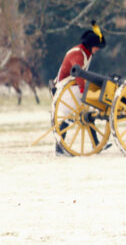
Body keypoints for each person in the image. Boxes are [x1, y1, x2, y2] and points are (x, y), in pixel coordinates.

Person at [52, 21, 106, 155]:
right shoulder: (78, 54)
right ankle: (59, 147)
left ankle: (96, 144)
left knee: (88, 113)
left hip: (72, 87)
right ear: (90, 45)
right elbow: (78, 73)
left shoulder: (86, 53)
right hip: (66, 89)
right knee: (76, 115)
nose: (98, 49)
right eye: (96, 47)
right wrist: (83, 91)